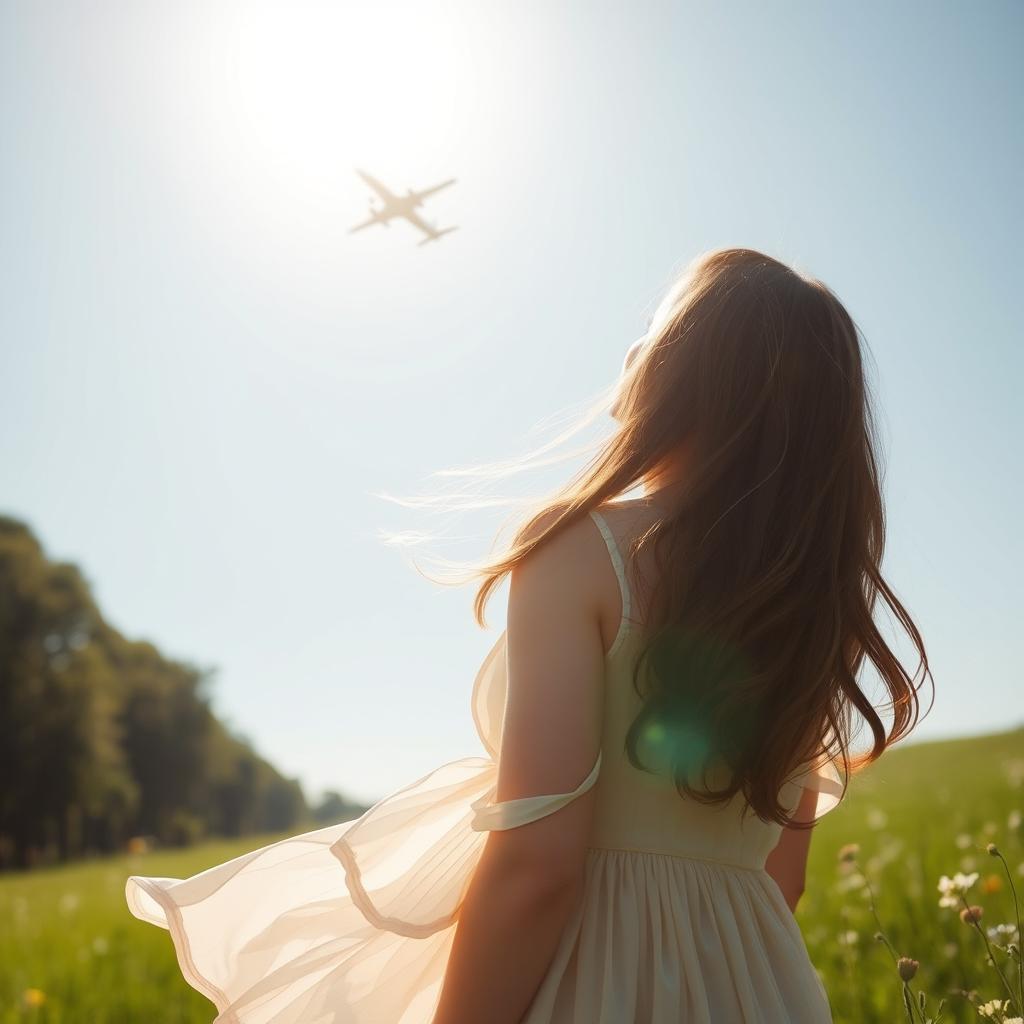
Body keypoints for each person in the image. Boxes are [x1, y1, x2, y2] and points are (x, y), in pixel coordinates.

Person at [125, 248, 930, 1023]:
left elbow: (539, 867)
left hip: (592, 985)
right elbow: (781, 882)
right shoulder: (809, 600)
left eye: (654, 326)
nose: (632, 343)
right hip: (761, 989)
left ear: (685, 370)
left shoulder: (582, 551)